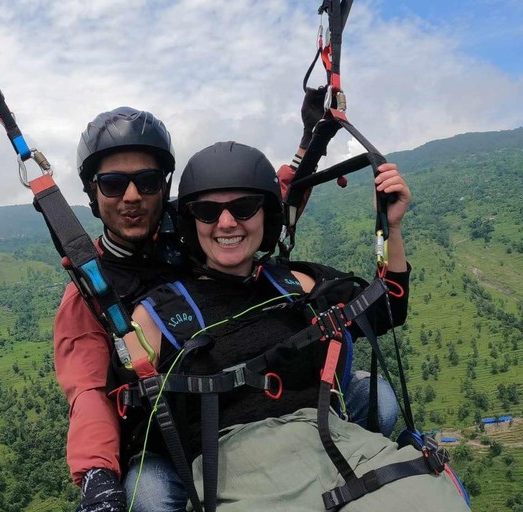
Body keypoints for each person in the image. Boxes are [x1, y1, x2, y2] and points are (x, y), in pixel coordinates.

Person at [54, 102, 399, 512]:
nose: (132, 196)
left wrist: (311, 141)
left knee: (378, 399)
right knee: (146, 495)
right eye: (113, 184)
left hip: (256, 402)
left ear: (163, 186)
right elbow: (88, 390)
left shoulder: (190, 227)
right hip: (178, 430)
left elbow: (259, 203)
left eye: (146, 181)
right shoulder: (92, 291)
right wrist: (98, 476)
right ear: (93, 192)